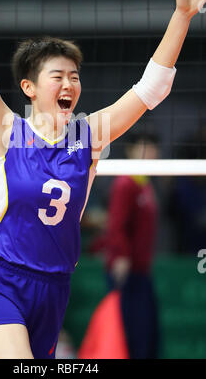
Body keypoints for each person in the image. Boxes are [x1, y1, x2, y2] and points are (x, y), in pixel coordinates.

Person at [0, 0, 206, 359]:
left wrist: (181, 16)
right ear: (29, 87)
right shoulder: (4, 131)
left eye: (74, 77)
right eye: (57, 75)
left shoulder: (89, 137)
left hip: (56, 288)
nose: (69, 84)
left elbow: (150, 89)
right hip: (2, 283)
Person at [90, 132, 160, 358]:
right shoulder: (125, 183)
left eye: (152, 147)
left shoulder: (145, 184)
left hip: (142, 272)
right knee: (129, 336)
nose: (150, 152)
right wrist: (120, 256)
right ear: (130, 149)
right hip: (125, 273)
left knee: (148, 336)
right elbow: (116, 225)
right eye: (143, 145)